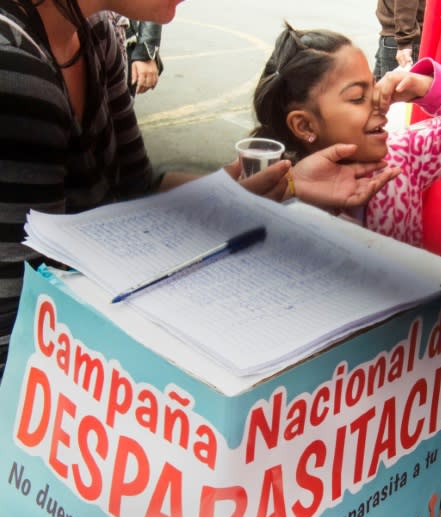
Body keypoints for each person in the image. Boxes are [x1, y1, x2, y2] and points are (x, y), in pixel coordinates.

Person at [0, 0, 399, 376]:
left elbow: (138, 189)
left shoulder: (99, 34)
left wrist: (275, 185)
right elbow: (27, 306)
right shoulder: (16, 69)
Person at [250, 23, 441, 246]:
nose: (381, 103)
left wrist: (424, 87)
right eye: (358, 98)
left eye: (375, 85)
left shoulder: (400, 158)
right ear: (304, 126)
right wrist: (288, 192)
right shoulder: (266, 192)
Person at [373, 0, 425, 80]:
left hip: (401, 39)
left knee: (391, 90)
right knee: (377, 89)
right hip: (394, 35)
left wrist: (404, 41)